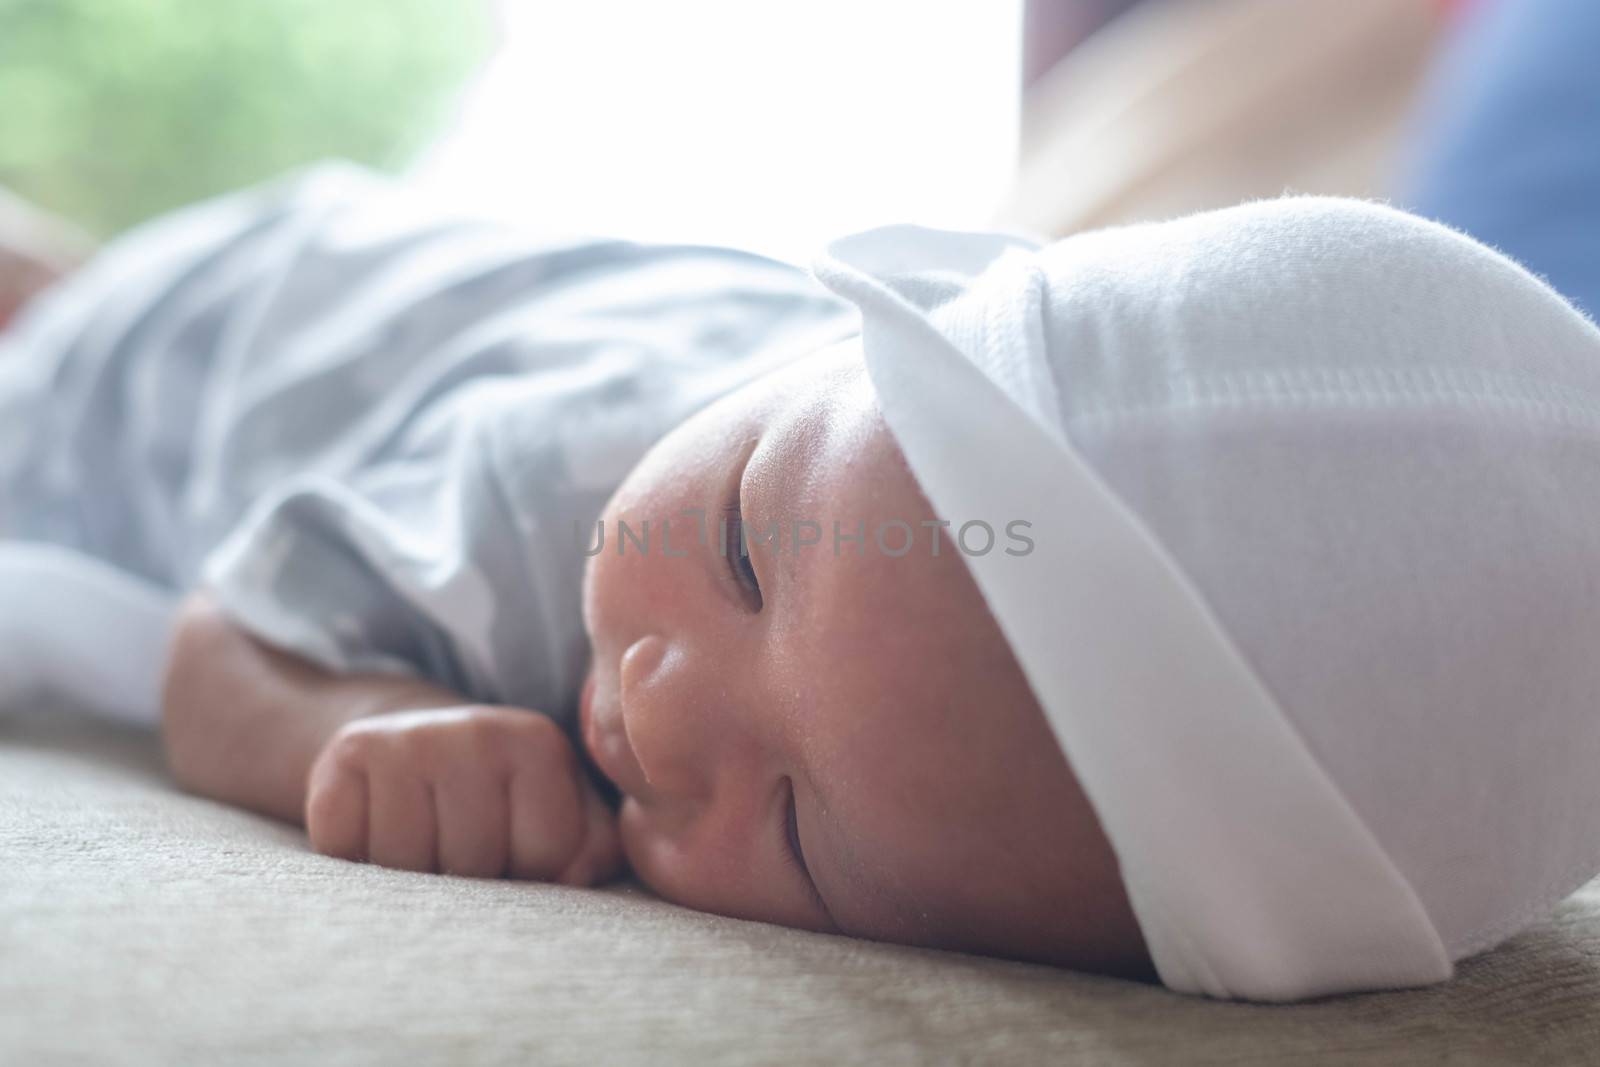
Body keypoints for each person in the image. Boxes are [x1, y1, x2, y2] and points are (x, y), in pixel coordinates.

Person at [6, 112, 1600, 1001]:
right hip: (223, 330)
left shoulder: (830, 557)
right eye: (746, 552)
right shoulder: (547, 477)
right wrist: (345, 729)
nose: (660, 697)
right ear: (855, 339)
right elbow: (227, 632)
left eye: (804, 833)